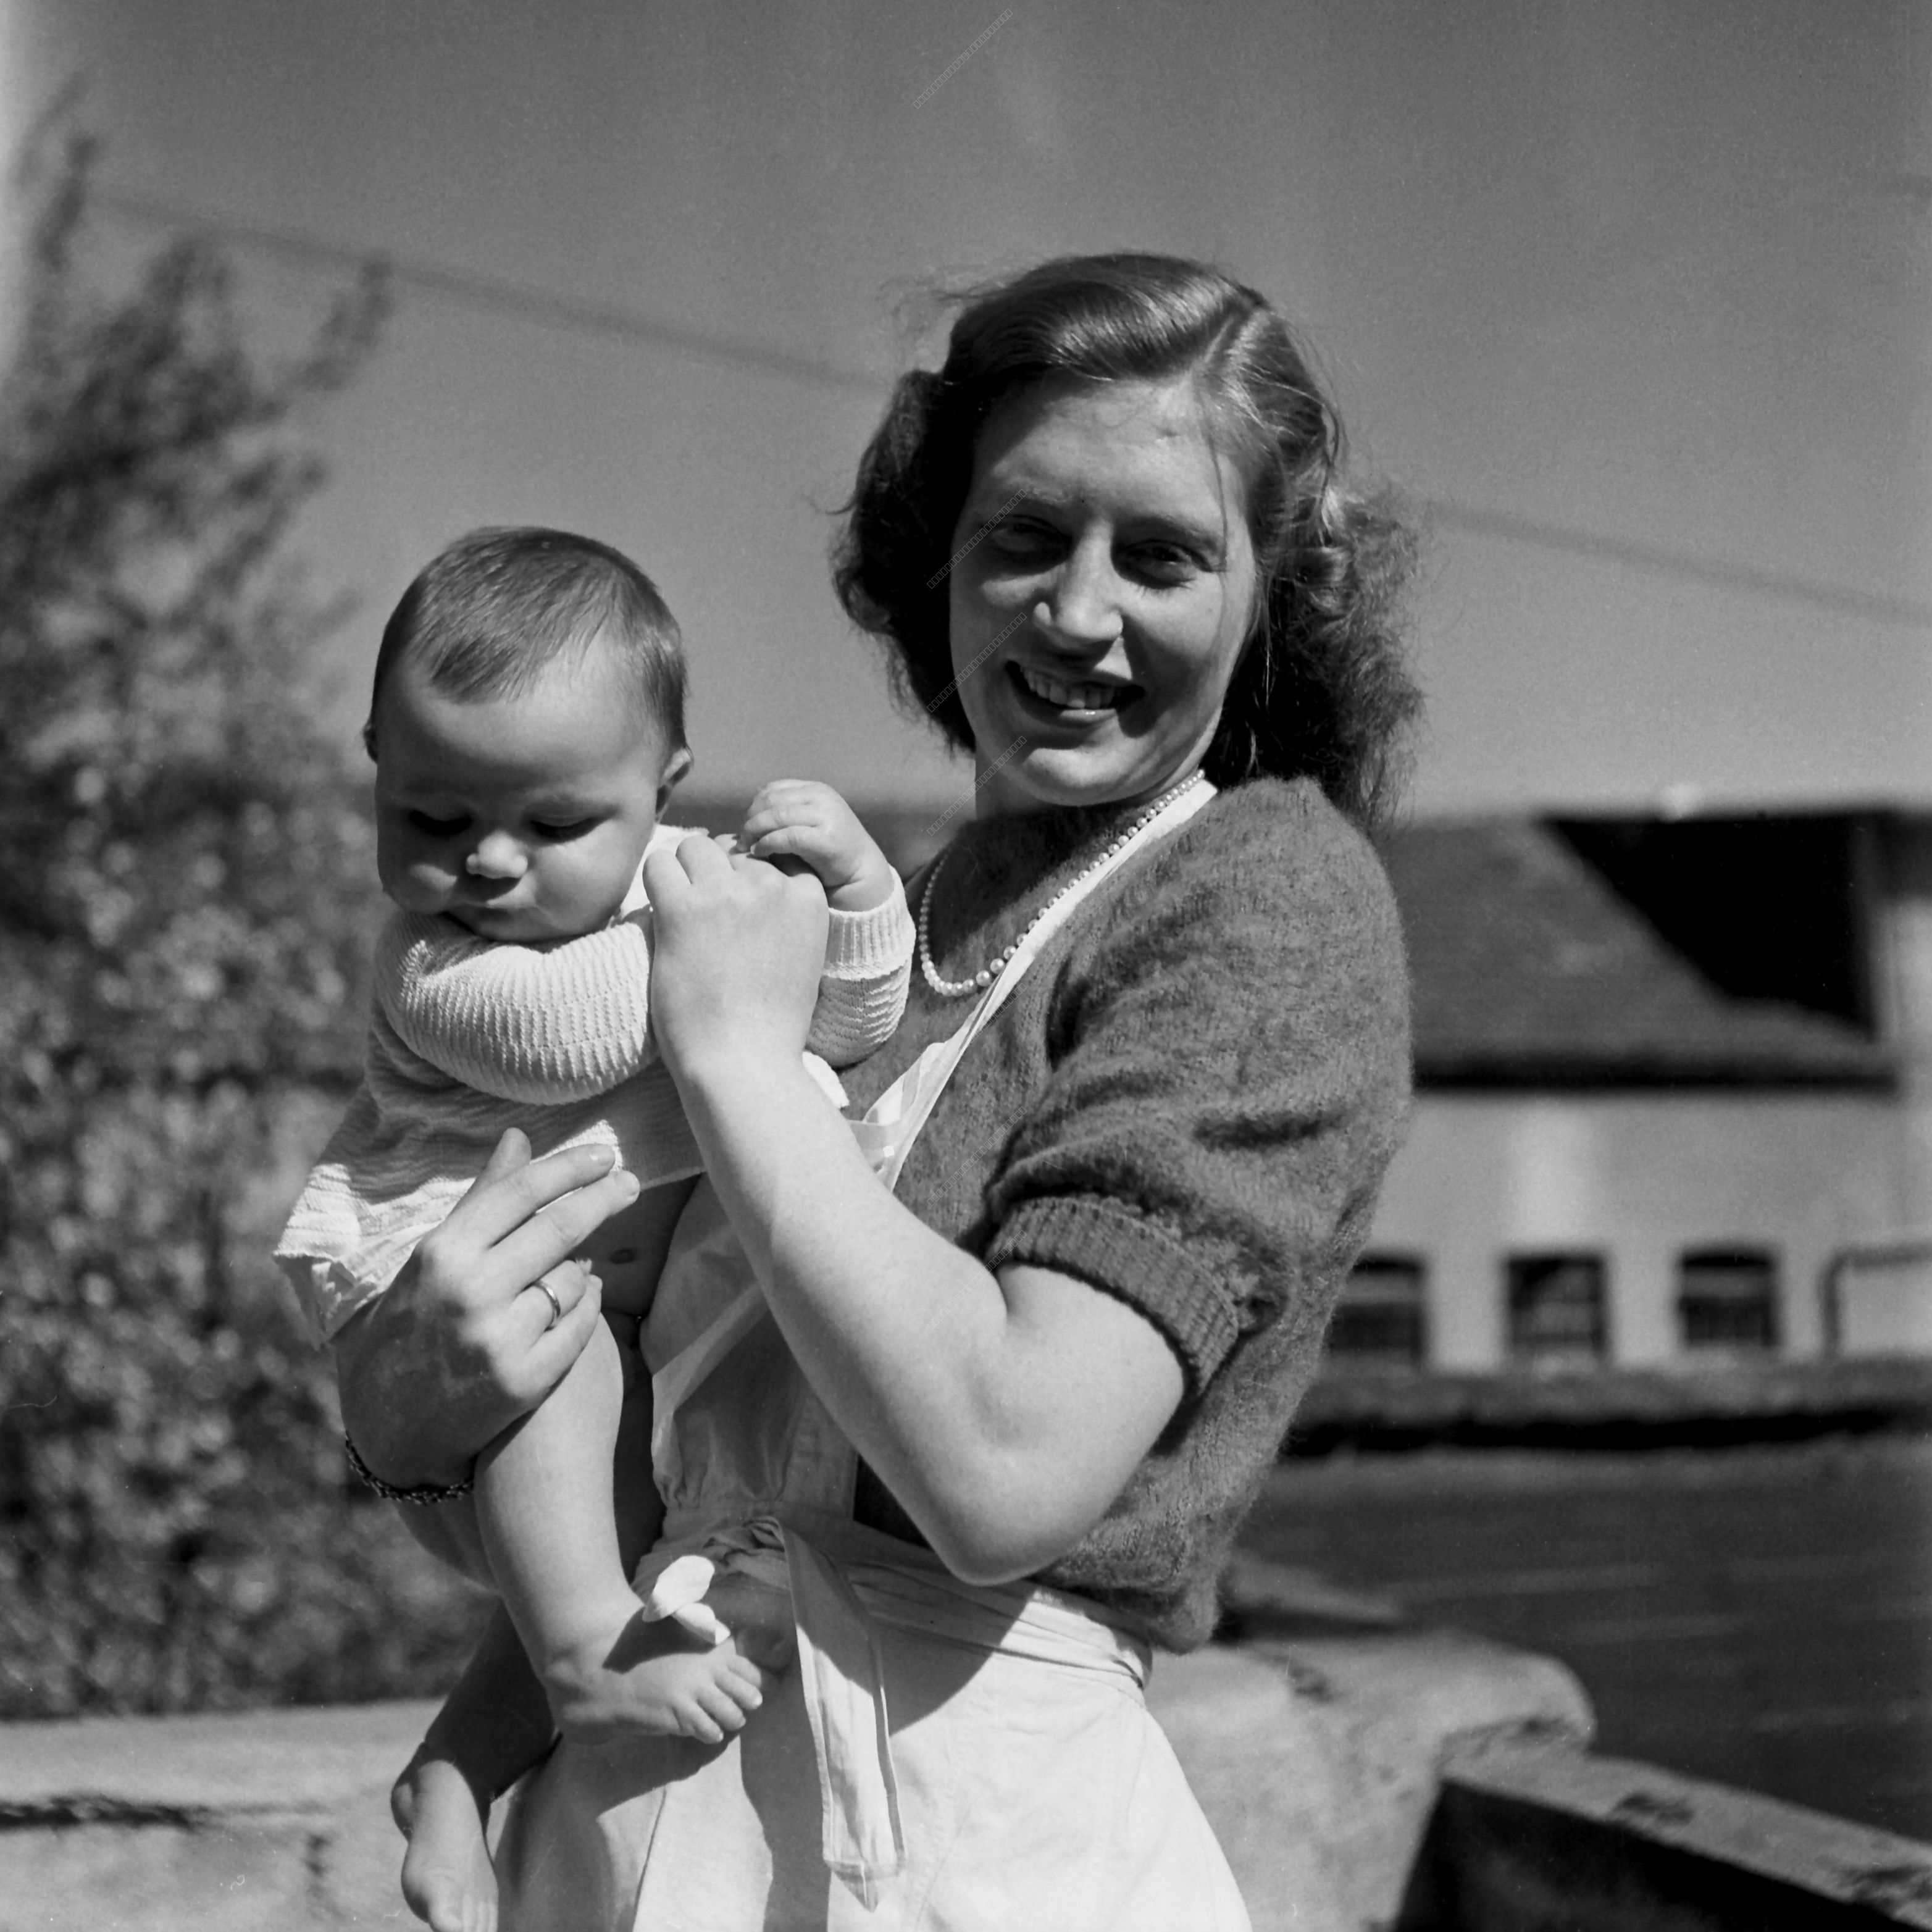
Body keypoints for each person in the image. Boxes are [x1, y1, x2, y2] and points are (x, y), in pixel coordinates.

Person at [345, 254, 1419, 1931]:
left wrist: (720, 1049)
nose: (1077, 612)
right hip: (639, 1811)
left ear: (1271, 589)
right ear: (940, 565)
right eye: (1022, 538)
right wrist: (406, 1410)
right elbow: (652, 1431)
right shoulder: (890, 922)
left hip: (959, 1839)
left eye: (1161, 555)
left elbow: (1001, 1471)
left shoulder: (1267, 897)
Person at [274, 526, 913, 1929]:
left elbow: (851, 1020)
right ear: (377, 759)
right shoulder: (440, 963)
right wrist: (749, 928)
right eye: (432, 818)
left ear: (661, 786)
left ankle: (454, 1763)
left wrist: (856, 896)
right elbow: (577, 1038)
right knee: (568, 1385)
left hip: (609, 1332)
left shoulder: (683, 895)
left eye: (553, 824)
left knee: (624, 1520)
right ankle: (577, 1654)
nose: (487, 862)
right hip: (473, 1286)